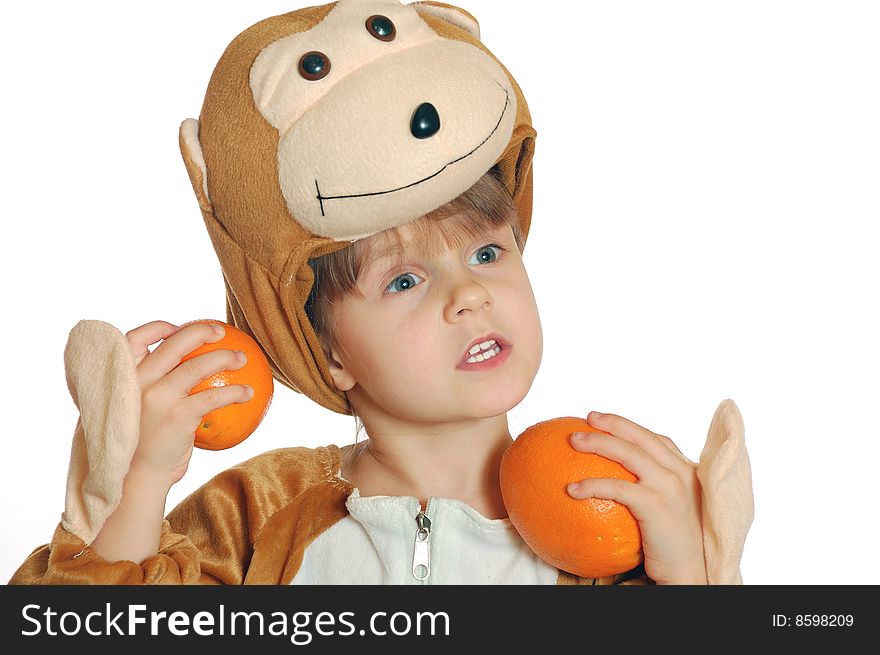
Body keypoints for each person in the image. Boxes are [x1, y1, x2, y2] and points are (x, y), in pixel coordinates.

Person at [9, 0, 750, 585]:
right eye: (404, 279)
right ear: (330, 352)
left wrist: (687, 573)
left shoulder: (602, 516)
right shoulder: (258, 517)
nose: (469, 295)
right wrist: (139, 478)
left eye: (488, 251)